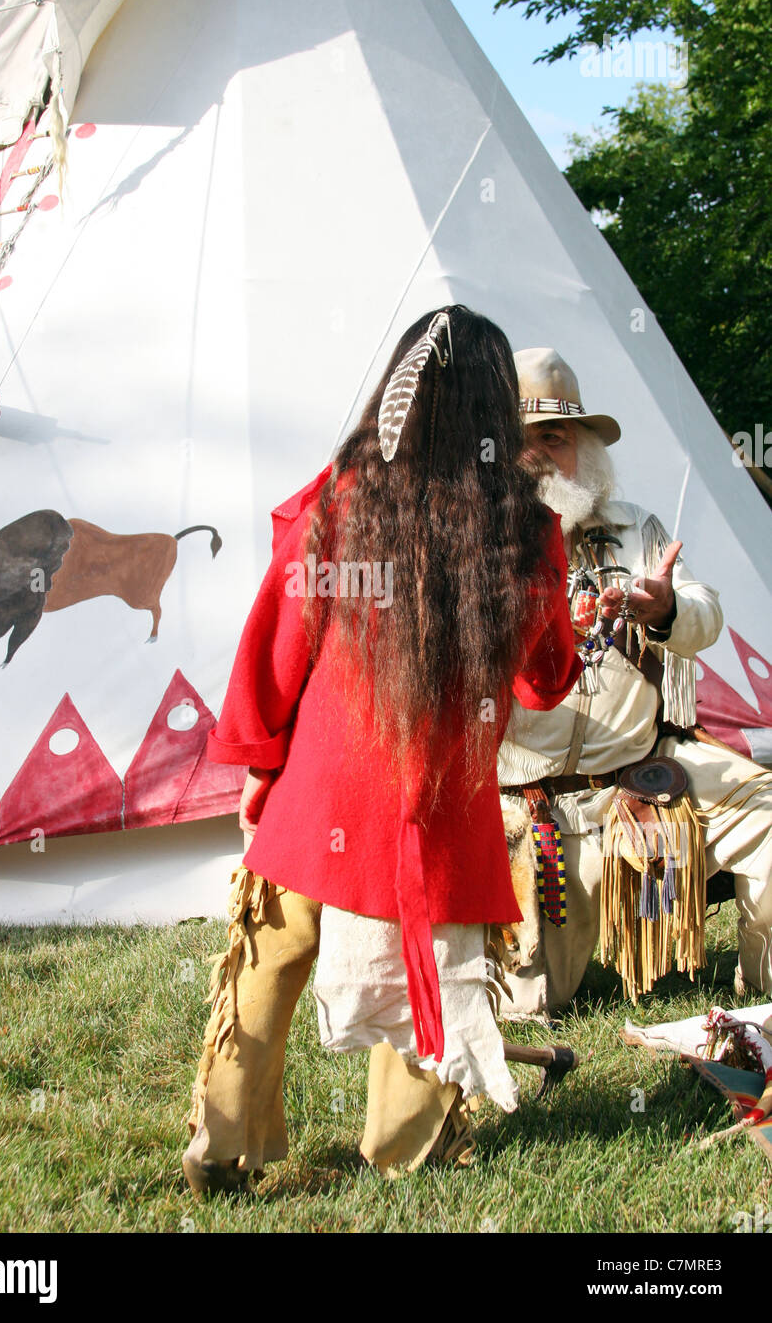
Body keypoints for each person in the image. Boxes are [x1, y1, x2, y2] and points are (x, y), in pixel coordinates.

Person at [181, 307, 581, 1194]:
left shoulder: (343, 499)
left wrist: (260, 762)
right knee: (426, 965)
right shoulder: (528, 532)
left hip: (323, 788)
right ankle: (409, 1150)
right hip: (438, 806)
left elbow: (276, 648)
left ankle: (224, 1145)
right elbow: (542, 683)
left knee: (271, 962)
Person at [498, 347, 772, 1015]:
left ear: (586, 446)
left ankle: (764, 992)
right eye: (520, 440)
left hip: (644, 776)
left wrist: (668, 608)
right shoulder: (472, 544)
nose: (537, 455)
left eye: (554, 438)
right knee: (529, 1003)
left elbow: (705, 617)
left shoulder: (636, 530)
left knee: (768, 813)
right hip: (527, 811)